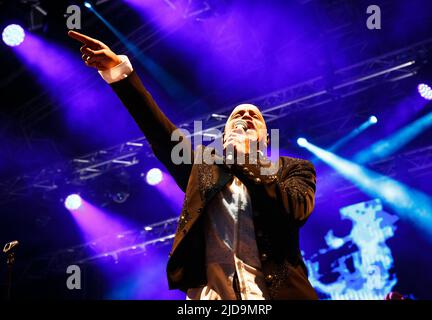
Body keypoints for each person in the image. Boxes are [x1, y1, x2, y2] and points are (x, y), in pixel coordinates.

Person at [68, 30, 318, 300]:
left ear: (265, 138)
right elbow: (160, 132)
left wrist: (246, 157)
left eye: (254, 116)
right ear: (224, 137)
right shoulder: (204, 168)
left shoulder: (293, 168)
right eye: (237, 116)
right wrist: (120, 73)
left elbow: (294, 211)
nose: (245, 115)